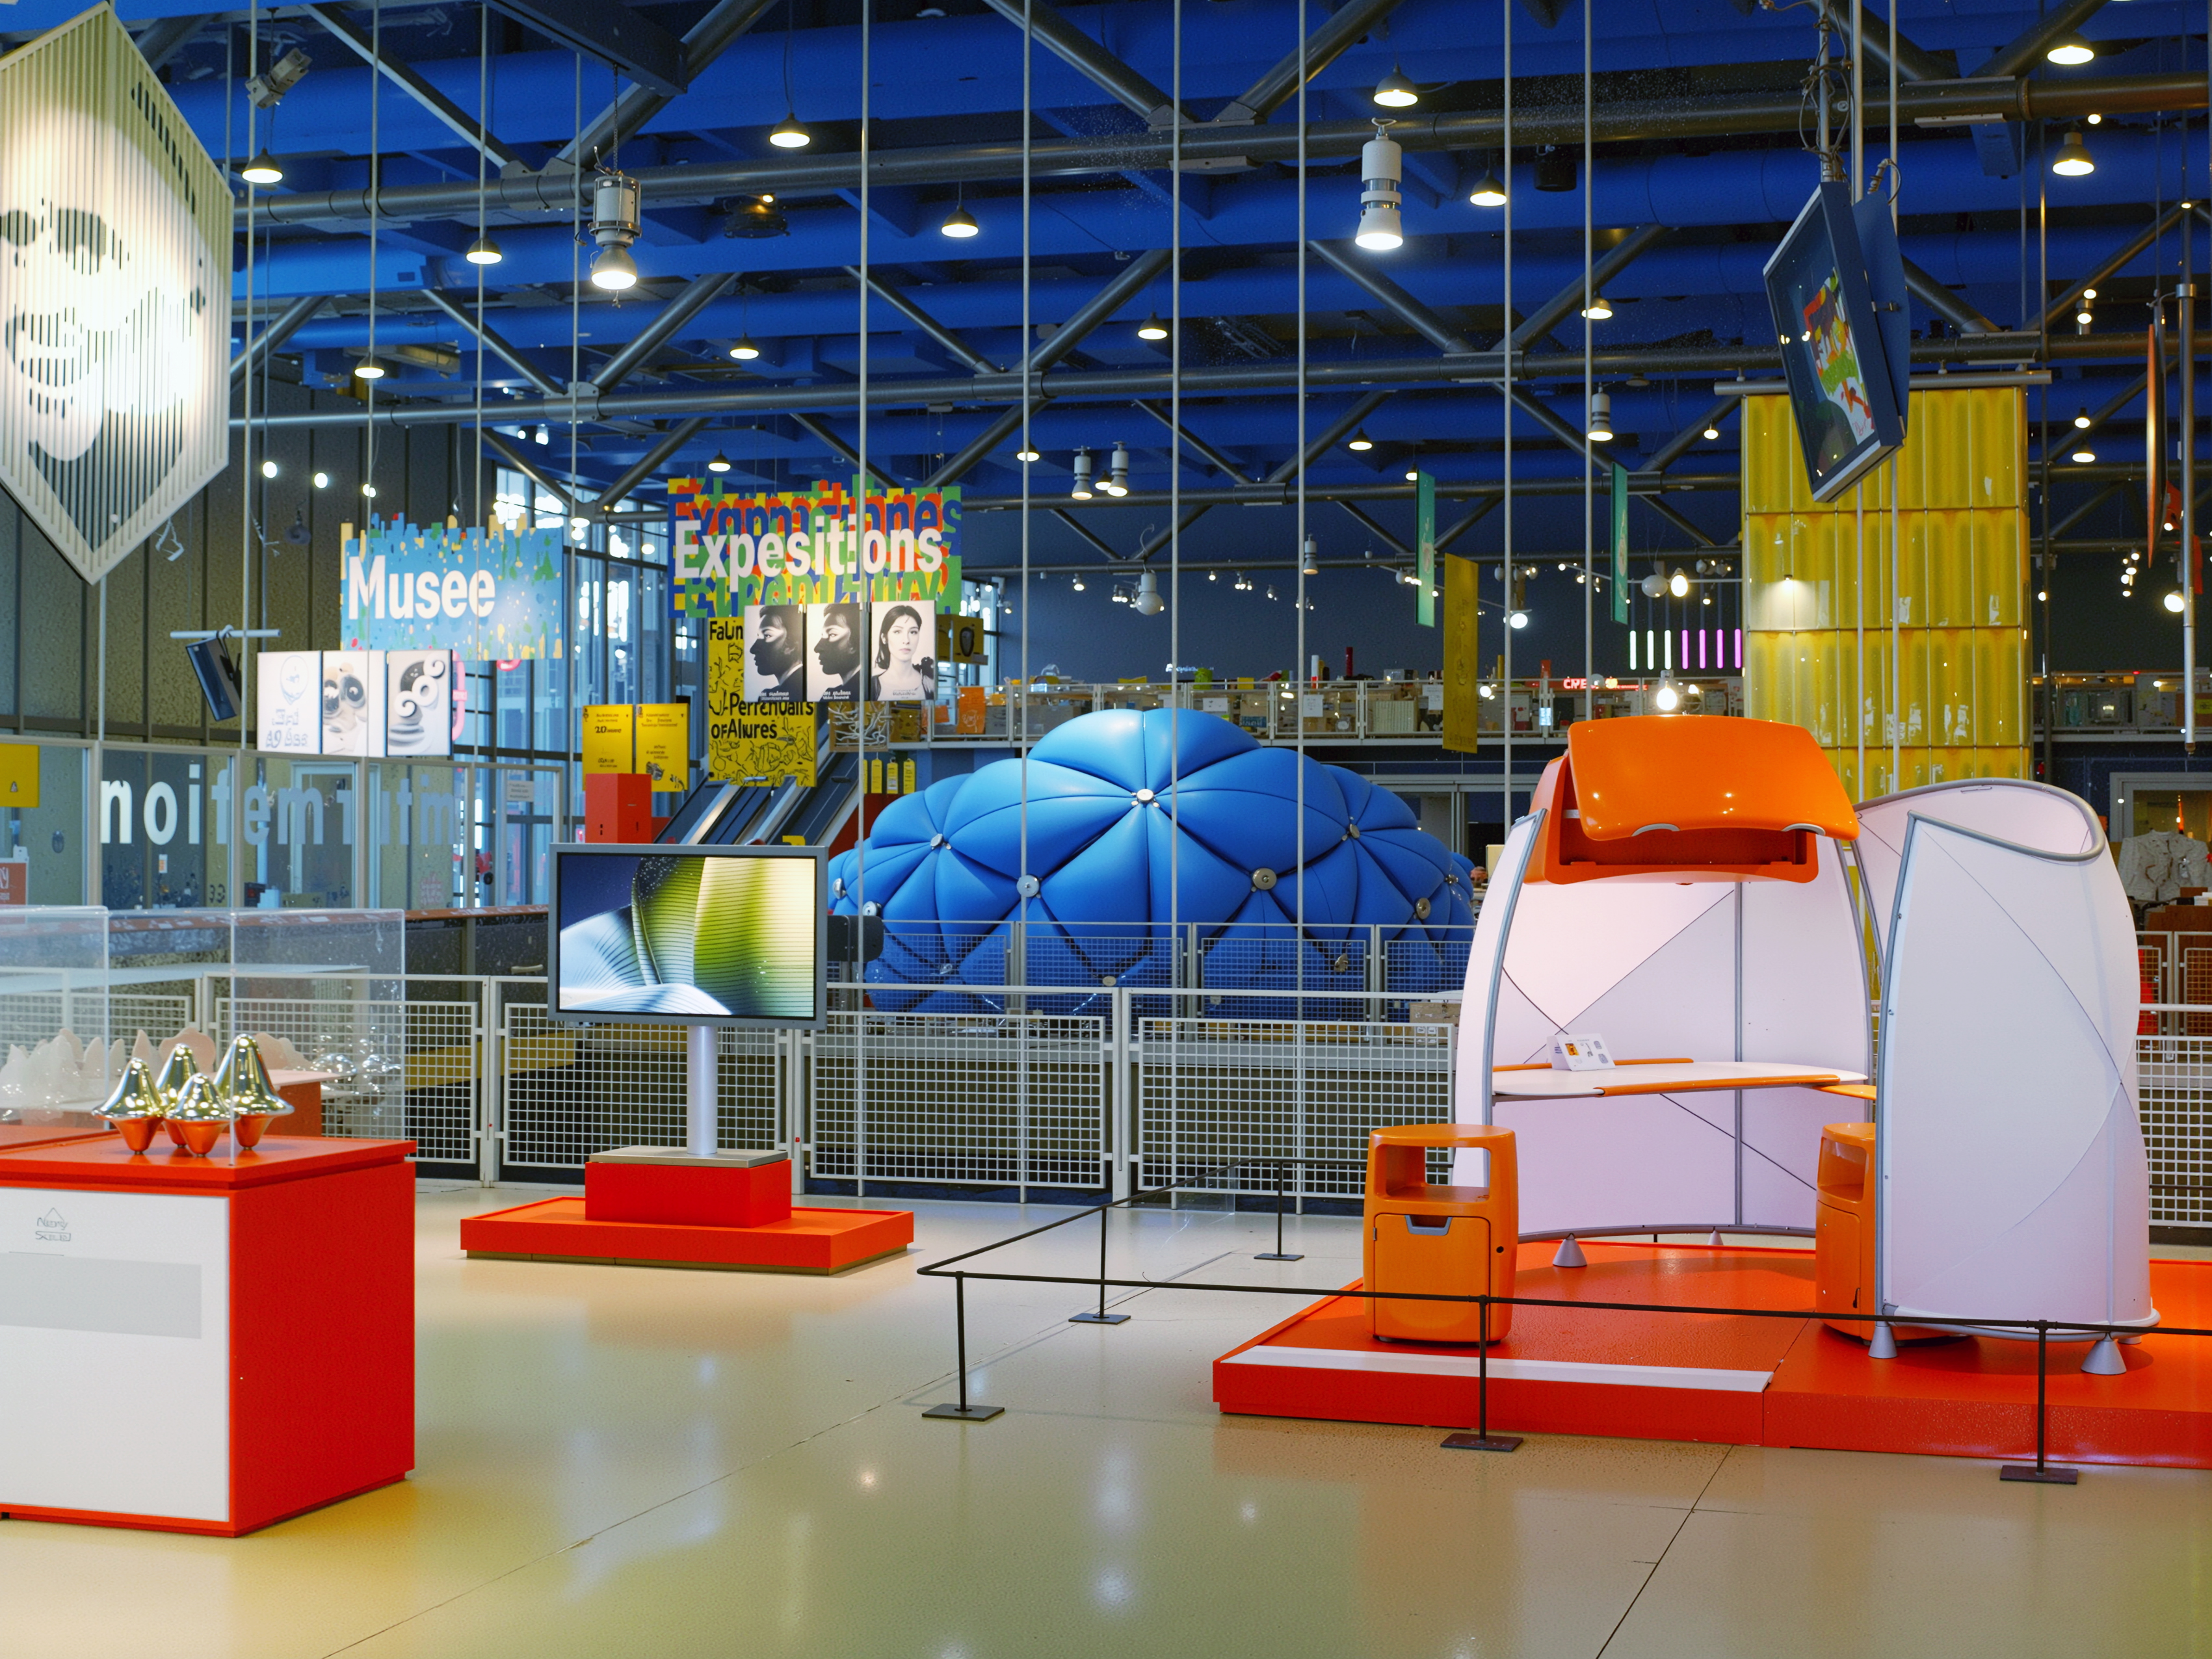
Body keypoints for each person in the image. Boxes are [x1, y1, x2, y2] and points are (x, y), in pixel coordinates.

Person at [871, 603, 936, 701]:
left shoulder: (930, 683)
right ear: (884, 638)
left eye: (913, 632)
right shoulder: (872, 686)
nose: (906, 640)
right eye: (897, 632)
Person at [747, 604, 805, 701]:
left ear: (792, 644)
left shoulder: (770, 697)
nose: (753, 649)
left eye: (767, 635)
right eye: (758, 637)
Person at [810, 602, 863, 701]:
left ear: (856, 641)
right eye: (823, 635)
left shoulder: (871, 689)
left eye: (832, 634)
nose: (817, 648)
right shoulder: (834, 694)